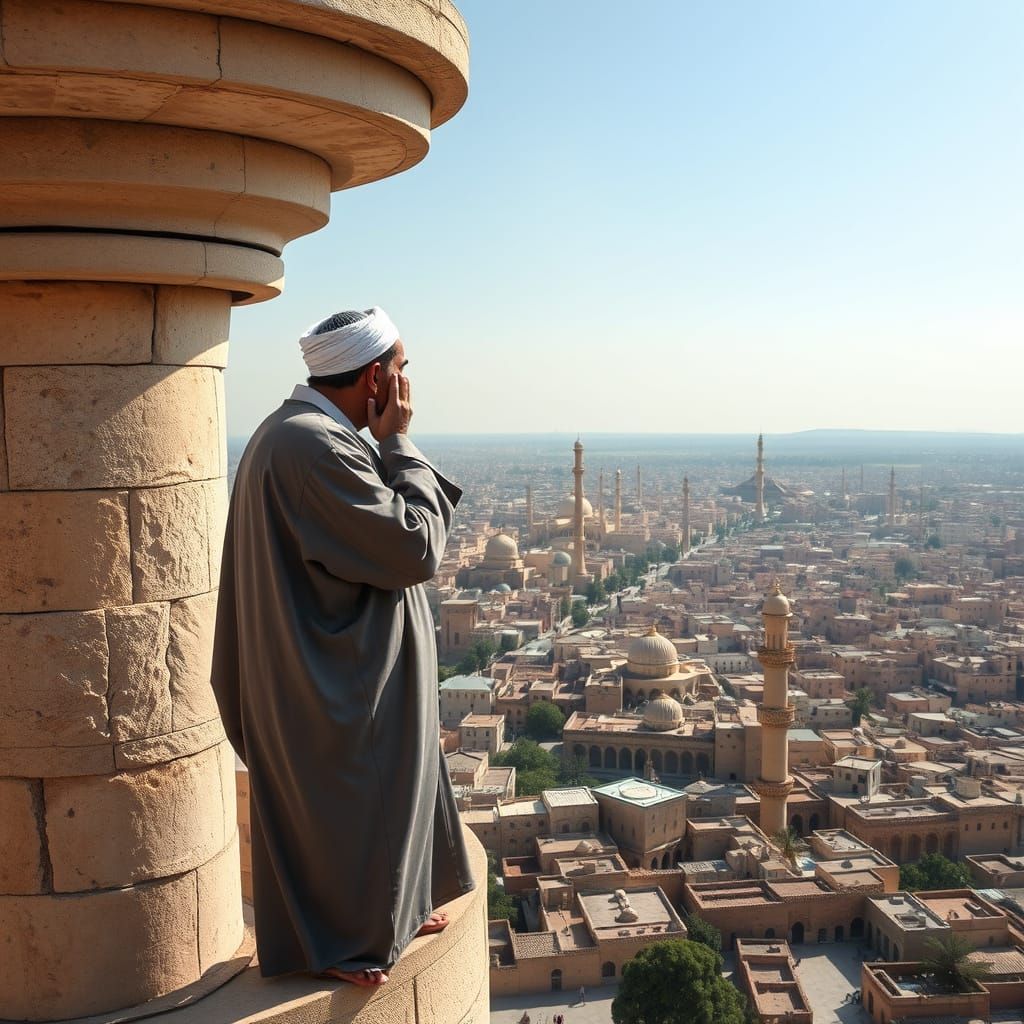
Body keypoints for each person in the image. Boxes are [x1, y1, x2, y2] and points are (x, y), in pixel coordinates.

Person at [212, 307, 474, 987]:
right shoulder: (314, 447)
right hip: (336, 680)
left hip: (329, 667)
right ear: (376, 377)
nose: (407, 386)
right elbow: (414, 546)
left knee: (374, 805)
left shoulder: (294, 434)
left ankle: (387, 917)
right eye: (402, 370)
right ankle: (348, 943)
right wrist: (399, 445)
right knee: (353, 806)